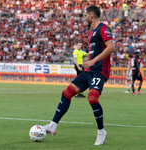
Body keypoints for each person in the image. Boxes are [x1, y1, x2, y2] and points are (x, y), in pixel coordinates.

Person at [44, 5, 114, 145]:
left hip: (100, 71)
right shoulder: (91, 33)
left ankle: (101, 132)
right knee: (66, 93)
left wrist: (92, 61)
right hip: (89, 71)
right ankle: (53, 125)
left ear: (91, 16)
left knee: (92, 98)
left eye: (86, 15)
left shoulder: (103, 28)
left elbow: (111, 47)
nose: (85, 18)